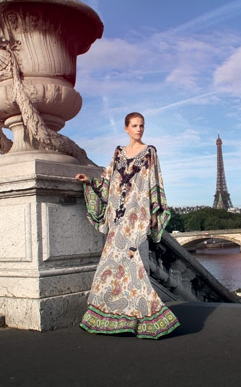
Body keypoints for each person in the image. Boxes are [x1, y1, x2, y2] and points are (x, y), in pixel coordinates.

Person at [75, 112, 180, 339]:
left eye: (141, 125)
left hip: (136, 214)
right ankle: (114, 315)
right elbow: (109, 179)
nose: (139, 129)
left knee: (133, 264)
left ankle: (147, 313)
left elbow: (154, 181)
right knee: (111, 264)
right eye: (134, 125)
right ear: (126, 128)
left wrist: (154, 211)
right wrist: (89, 181)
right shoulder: (118, 152)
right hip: (117, 215)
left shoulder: (149, 152)